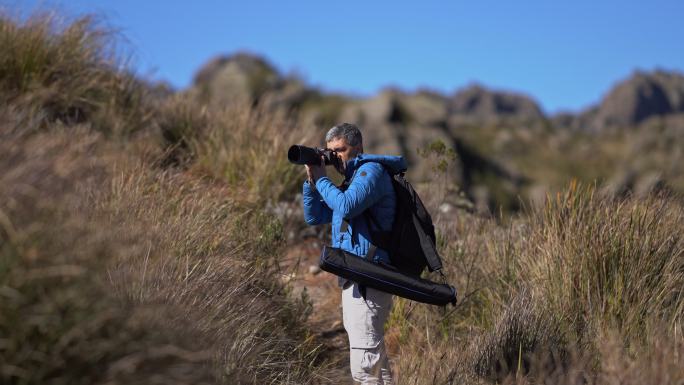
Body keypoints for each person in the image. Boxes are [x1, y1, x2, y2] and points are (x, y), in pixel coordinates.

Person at [302, 122, 406, 384]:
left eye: (340, 149)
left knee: (364, 367)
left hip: (368, 276)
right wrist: (311, 181)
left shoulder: (371, 172)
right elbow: (314, 216)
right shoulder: (350, 182)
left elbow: (346, 206)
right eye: (330, 151)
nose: (334, 156)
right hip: (357, 275)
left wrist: (324, 179)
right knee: (374, 360)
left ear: (358, 148)